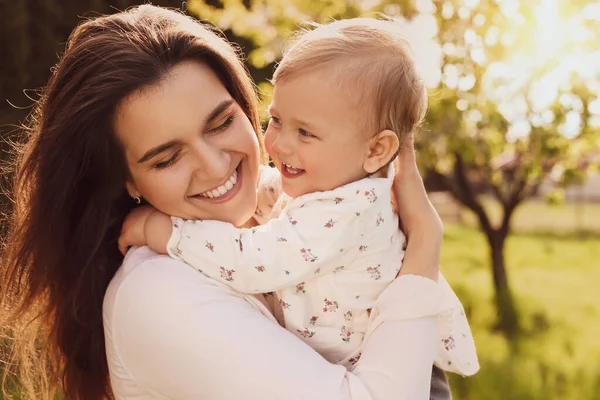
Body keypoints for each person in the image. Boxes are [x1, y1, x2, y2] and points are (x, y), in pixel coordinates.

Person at [0, 5, 453, 400]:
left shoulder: (274, 215)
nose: (216, 167)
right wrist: (424, 246)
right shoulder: (161, 294)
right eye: (168, 157)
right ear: (126, 180)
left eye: (220, 123)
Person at [120, 18, 478, 375]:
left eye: (305, 132)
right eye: (276, 120)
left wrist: (164, 231)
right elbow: (273, 191)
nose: (280, 143)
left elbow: (254, 261)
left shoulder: (347, 212)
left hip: (409, 379)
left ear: (376, 149)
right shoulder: (338, 185)